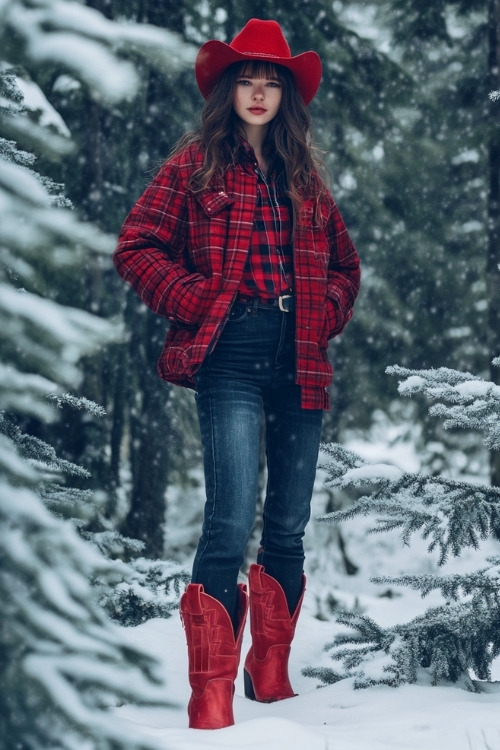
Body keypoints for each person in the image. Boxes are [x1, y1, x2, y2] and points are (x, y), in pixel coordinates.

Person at [113, 18, 361, 730]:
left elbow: (345, 268)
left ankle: (270, 672)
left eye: (272, 82)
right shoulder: (197, 162)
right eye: (248, 79)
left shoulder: (304, 176)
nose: (258, 92)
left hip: (300, 358)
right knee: (227, 520)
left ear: (287, 97)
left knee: (287, 523)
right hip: (229, 356)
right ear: (230, 89)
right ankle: (210, 694)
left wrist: (327, 311)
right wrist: (198, 301)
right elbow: (137, 247)